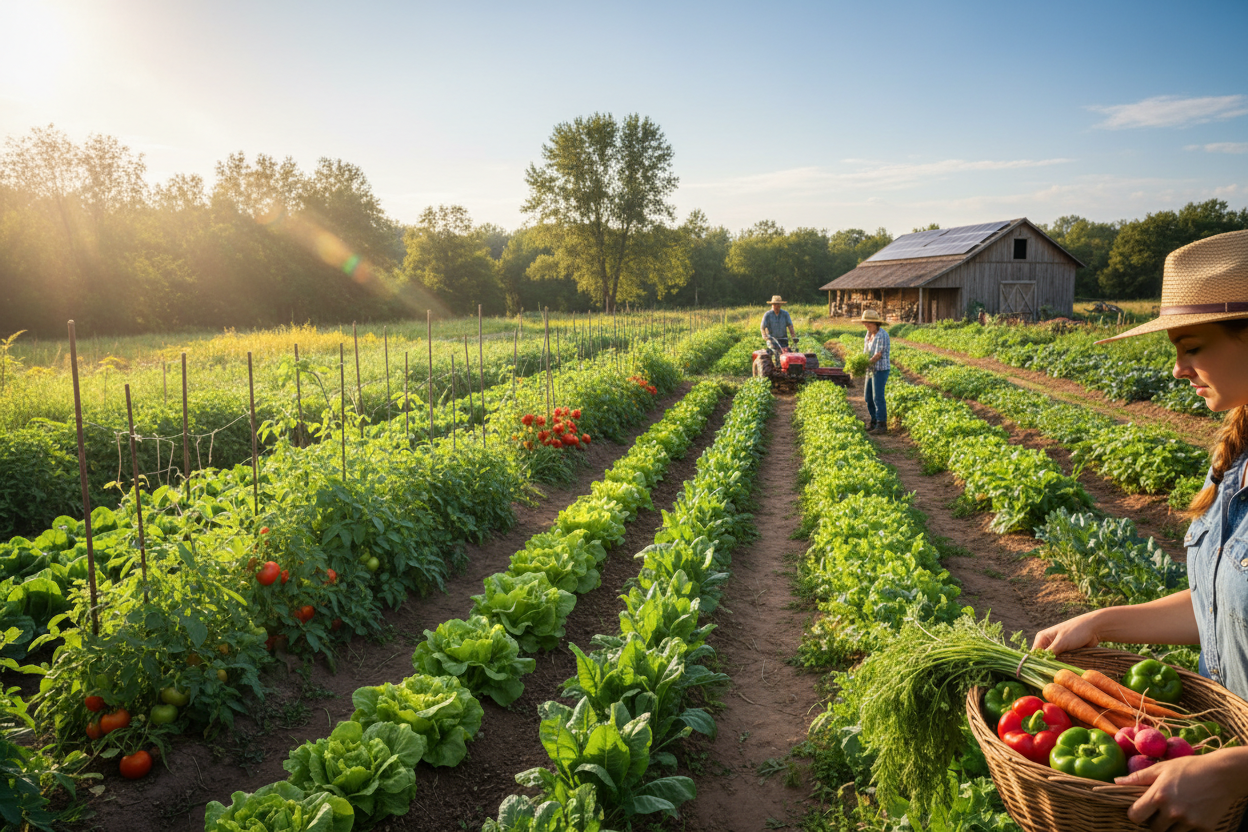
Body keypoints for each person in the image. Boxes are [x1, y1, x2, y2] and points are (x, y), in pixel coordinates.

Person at [1034, 229, 1248, 832]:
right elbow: (1223, 609)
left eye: (1192, 347)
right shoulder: (1233, 459)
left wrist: (1239, 771)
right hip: (1215, 769)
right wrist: (1103, 622)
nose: (1177, 370)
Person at [860, 308, 890, 433]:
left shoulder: (882, 335)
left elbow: (878, 354)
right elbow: (865, 352)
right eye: (865, 322)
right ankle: (874, 421)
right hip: (870, 369)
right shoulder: (868, 334)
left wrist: (865, 364)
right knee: (868, 397)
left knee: (877, 397)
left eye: (868, 322)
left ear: (875, 323)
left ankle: (881, 424)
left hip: (880, 369)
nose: (866, 325)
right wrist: (861, 362)